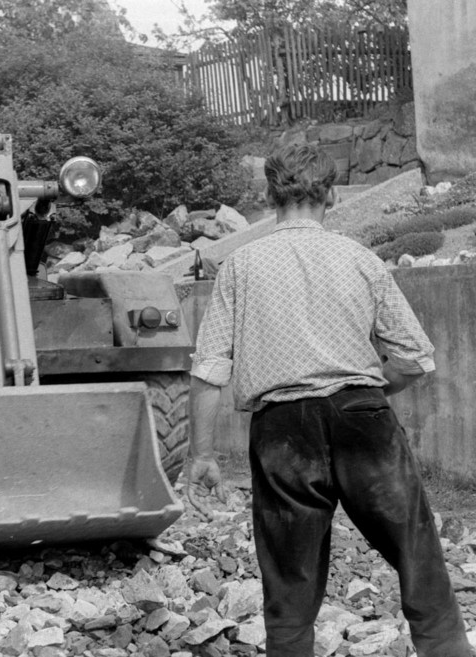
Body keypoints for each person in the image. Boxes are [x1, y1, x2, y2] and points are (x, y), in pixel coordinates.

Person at [186, 144, 470, 657]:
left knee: (289, 568)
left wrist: (202, 454)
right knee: (414, 549)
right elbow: (413, 358)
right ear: (332, 195)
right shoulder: (359, 259)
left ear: (270, 195)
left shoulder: (239, 266)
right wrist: (366, 392)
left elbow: (208, 371)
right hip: (363, 418)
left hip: (282, 428)